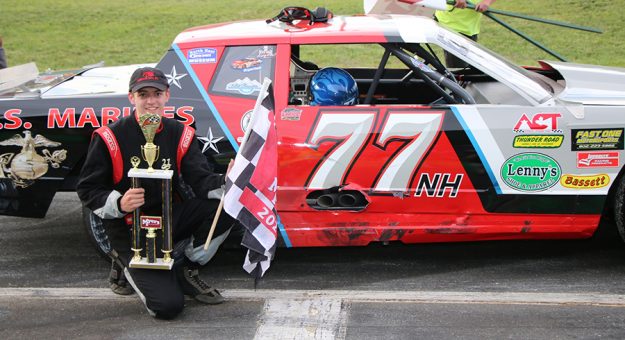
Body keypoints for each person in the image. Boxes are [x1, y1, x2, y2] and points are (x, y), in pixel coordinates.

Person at [77, 66, 234, 319]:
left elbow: (201, 181)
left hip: (169, 219)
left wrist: (228, 180)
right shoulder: (109, 136)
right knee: (168, 307)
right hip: (129, 229)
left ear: (167, 96)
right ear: (132, 98)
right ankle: (123, 261)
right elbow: (87, 188)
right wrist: (119, 203)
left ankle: (186, 267)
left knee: (229, 205)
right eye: (143, 95)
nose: (151, 101)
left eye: (156, 94)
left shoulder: (181, 132)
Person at [435, 0, 497, 68]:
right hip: (451, 26)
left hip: (471, 27)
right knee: (459, 70)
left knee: (471, 70)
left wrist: (487, 2)